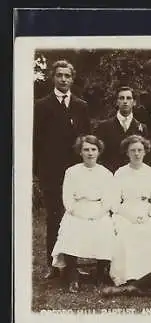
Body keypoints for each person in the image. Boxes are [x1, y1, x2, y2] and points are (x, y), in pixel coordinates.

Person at [33, 59, 91, 279]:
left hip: (76, 173)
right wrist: (39, 171)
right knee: (54, 217)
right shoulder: (41, 106)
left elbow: (86, 139)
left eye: (67, 76)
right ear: (53, 78)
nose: (64, 79)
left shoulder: (81, 105)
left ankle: (73, 264)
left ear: (72, 79)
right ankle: (53, 265)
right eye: (60, 75)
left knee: (75, 217)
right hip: (51, 173)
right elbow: (35, 142)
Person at [50, 135, 115, 292]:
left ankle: (100, 275)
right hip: (77, 211)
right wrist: (76, 212)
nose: (90, 153)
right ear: (80, 152)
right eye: (86, 149)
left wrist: (98, 214)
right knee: (71, 231)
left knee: (105, 231)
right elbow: (67, 197)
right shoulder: (71, 172)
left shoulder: (106, 173)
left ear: (99, 152)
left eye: (93, 149)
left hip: (98, 211)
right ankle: (73, 278)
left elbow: (109, 199)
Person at [109, 135, 151, 286]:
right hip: (125, 211)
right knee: (128, 232)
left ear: (145, 151)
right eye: (132, 150)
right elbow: (114, 202)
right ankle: (128, 275)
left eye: (140, 150)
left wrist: (149, 214)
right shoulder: (120, 173)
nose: (136, 153)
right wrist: (129, 216)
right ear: (127, 153)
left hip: (147, 210)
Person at [94, 86, 149, 173]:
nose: (125, 101)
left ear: (134, 102)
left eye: (128, 98)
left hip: (133, 175)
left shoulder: (142, 128)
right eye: (121, 98)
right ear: (117, 102)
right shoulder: (104, 126)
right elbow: (98, 154)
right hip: (110, 175)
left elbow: (145, 156)